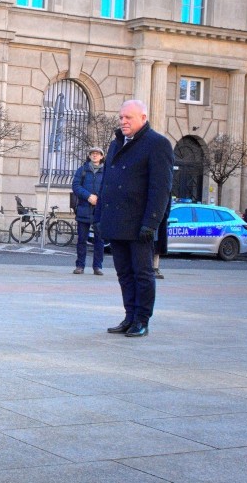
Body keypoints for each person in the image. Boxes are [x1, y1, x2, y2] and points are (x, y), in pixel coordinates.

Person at [94, 100, 173, 338]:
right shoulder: (116, 144)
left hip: (140, 225)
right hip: (116, 221)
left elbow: (160, 189)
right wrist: (100, 218)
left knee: (142, 273)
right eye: (121, 117)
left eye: (128, 117)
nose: (123, 121)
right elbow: (105, 183)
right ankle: (129, 317)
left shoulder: (157, 144)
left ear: (143, 117)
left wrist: (151, 223)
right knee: (124, 273)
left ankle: (142, 320)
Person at [71, 146, 105, 275]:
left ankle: (97, 266)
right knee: (81, 240)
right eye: (93, 154)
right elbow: (76, 186)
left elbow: (108, 188)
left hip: (99, 210)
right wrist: (88, 196)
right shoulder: (82, 170)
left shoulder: (106, 171)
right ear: (89, 156)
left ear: (102, 156)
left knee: (99, 240)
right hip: (84, 209)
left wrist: (98, 198)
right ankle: (80, 265)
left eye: (97, 154)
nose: (95, 155)